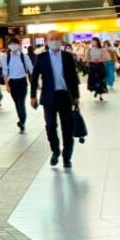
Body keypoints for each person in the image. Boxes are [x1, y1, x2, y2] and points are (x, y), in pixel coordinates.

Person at [30, 31, 81, 169]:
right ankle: (55, 150)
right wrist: (33, 96)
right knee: (50, 126)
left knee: (67, 129)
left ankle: (67, 157)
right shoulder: (41, 58)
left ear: (61, 40)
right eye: (51, 39)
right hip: (49, 97)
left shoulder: (68, 57)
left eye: (56, 39)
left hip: (65, 96)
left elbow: (73, 78)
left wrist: (76, 97)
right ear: (47, 41)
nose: (54, 41)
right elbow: (34, 77)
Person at [3, 39, 33, 132]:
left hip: (22, 82)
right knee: (17, 103)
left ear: (19, 45)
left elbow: (31, 70)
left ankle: (22, 122)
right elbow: (5, 72)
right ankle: (22, 121)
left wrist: (36, 83)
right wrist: (7, 85)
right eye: (11, 44)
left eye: (15, 44)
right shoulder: (6, 58)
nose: (13, 45)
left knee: (21, 102)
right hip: (12, 82)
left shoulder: (24, 57)